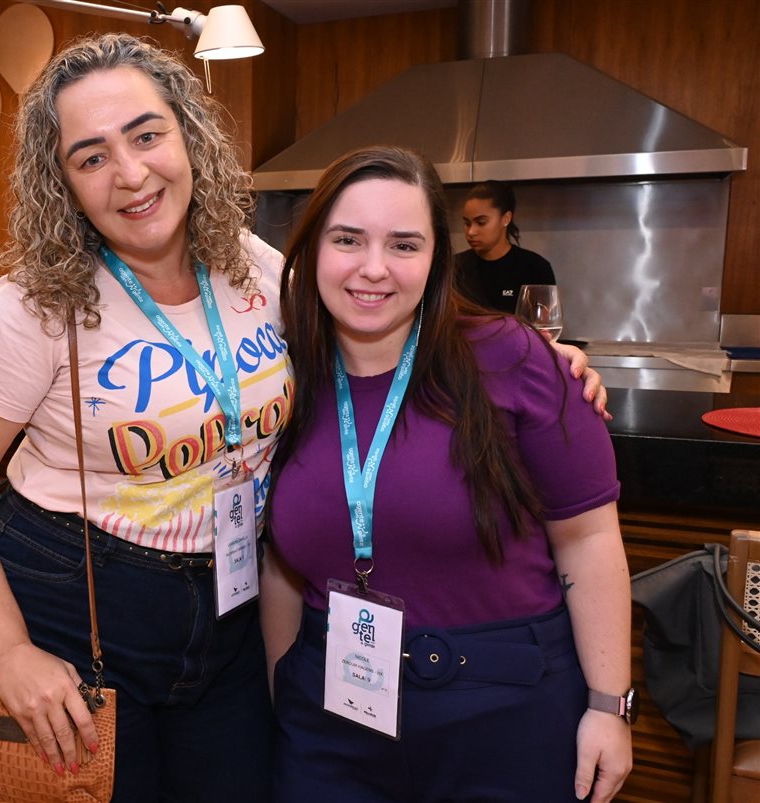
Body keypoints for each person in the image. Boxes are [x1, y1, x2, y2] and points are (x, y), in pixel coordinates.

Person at [0, 33, 289, 802]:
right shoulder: (36, 305)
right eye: (91, 157)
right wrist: (9, 653)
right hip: (73, 602)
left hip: (230, 606)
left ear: (189, 135)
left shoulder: (252, 262)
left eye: (147, 135)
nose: (131, 173)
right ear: (63, 184)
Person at [261, 146, 632, 803]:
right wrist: (281, 701)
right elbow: (281, 563)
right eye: (348, 239)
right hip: (329, 716)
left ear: (437, 259)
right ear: (313, 248)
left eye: (404, 245)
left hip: (505, 711)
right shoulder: (280, 376)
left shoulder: (514, 360)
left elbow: (589, 538)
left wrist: (610, 705)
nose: (374, 268)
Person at [456, 180, 556, 314]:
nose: (471, 232)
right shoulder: (453, 269)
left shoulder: (535, 269)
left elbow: (544, 324)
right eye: (467, 223)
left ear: (506, 218)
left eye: (481, 222)